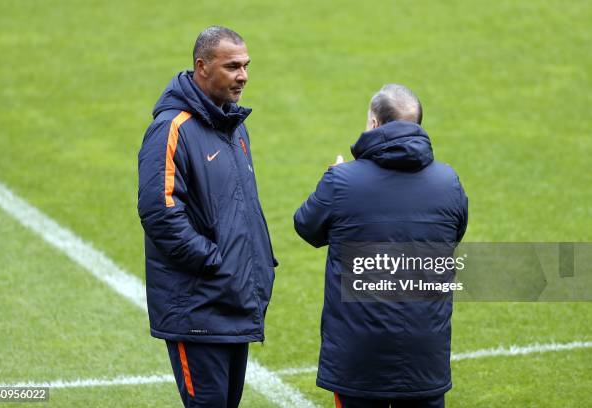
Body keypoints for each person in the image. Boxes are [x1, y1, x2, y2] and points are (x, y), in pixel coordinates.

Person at [294, 84, 468, 408]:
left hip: (358, 358)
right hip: (424, 354)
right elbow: (453, 237)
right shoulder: (449, 182)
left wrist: (331, 179)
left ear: (374, 124)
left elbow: (306, 227)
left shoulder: (342, 181)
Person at [137, 26, 277, 408]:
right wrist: (214, 261)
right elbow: (159, 212)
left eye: (246, 66)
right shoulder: (171, 128)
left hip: (232, 301)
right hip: (198, 307)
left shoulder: (233, 125)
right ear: (202, 66)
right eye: (233, 67)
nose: (243, 76)